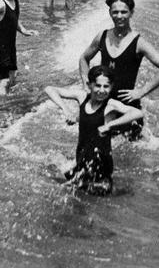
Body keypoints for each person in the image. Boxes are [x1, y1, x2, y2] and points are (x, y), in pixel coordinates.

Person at [78, 0, 159, 141]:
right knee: (97, 142)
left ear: (131, 13)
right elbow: (84, 58)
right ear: (110, 13)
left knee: (133, 149)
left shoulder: (139, 43)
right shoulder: (102, 36)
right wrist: (87, 83)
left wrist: (141, 91)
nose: (119, 16)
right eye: (115, 12)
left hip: (127, 105)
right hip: (104, 102)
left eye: (124, 12)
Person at [44, 65, 145, 195]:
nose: (102, 90)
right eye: (97, 85)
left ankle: (125, 192)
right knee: (49, 173)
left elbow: (137, 113)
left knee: (83, 197)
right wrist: (65, 109)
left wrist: (110, 125)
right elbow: (49, 89)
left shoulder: (110, 104)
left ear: (111, 87)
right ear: (89, 85)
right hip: (82, 163)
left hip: (100, 169)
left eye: (106, 86)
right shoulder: (82, 97)